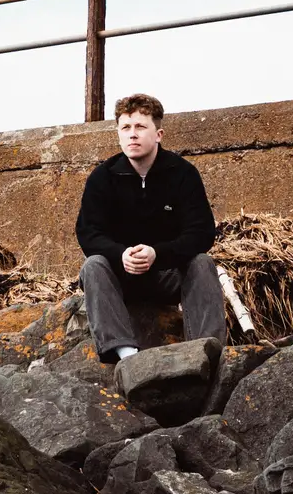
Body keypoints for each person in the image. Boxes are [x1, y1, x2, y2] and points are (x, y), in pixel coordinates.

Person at [75, 93, 228, 363]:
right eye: (126, 128)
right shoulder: (103, 177)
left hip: (167, 275)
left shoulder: (182, 173)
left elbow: (202, 231)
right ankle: (125, 354)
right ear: (118, 134)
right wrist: (120, 254)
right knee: (93, 266)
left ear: (158, 134)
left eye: (140, 127)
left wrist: (158, 253)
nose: (132, 135)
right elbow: (88, 233)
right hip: (121, 277)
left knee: (202, 263)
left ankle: (208, 351)